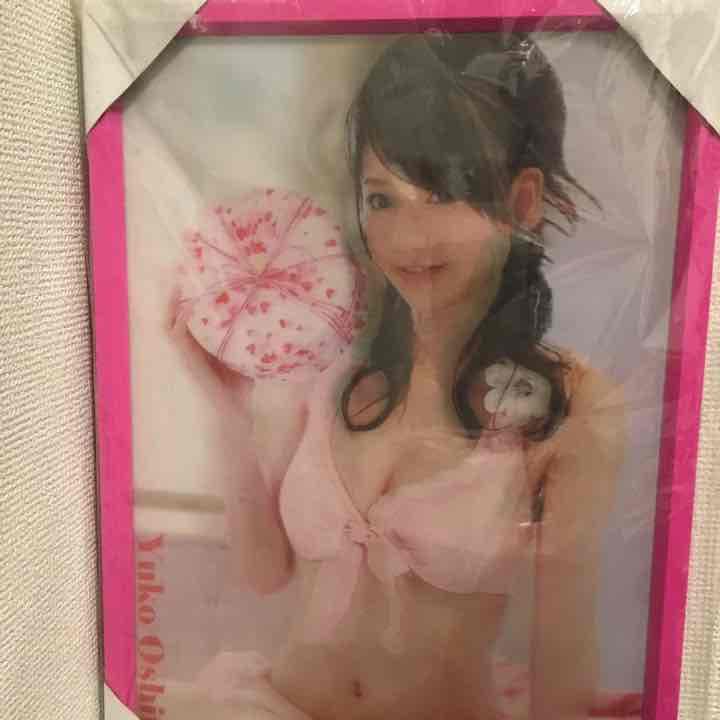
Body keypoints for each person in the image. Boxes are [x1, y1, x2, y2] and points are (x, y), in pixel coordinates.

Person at [172, 31, 636, 720]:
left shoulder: (573, 405)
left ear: (522, 200)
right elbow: (263, 573)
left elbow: (562, 659)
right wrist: (226, 409)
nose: (407, 237)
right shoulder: (333, 363)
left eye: (442, 192)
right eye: (383, 199)